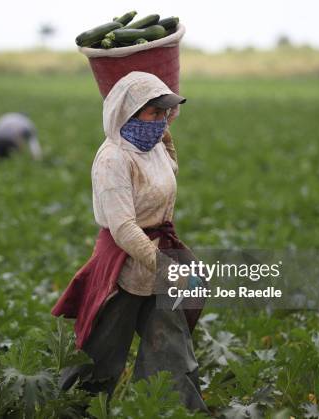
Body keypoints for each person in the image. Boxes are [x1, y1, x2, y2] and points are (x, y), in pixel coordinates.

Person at [51, 72, 208, 412]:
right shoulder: (113, 159)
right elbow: (123, 228)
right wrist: (169, 270)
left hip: (158, 255)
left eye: (165, 113)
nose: (160, 120)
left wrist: (165, 133)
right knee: (100, 357)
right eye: (154, 113)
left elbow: (171, 172)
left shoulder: (152, 146)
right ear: (129, 113)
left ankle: (177, 411)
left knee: (173, 350)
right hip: (123, 265)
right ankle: (75, 410)